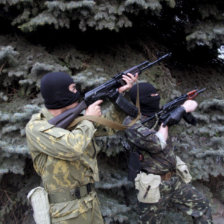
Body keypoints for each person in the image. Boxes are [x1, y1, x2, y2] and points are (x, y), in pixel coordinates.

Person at [25, 71, 138, 224]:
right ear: (59, 94)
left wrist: (119, 96)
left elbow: (108, 127)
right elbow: (72, 147)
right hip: (65, 212)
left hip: (90, 203)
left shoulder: (77, 119)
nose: (77, 92)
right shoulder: (37, 127)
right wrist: (89, 120)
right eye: (72, 89)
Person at [123, 82, 213, 224]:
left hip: (173, 180)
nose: (156, 97)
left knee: (202, 205)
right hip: (152, 185)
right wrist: (180, 110)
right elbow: (157, 144)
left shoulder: (157, 114)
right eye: (152, 95)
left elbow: (186, 120)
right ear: (143, 100)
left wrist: (182, 110)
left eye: (156, 93)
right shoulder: (132, 123)